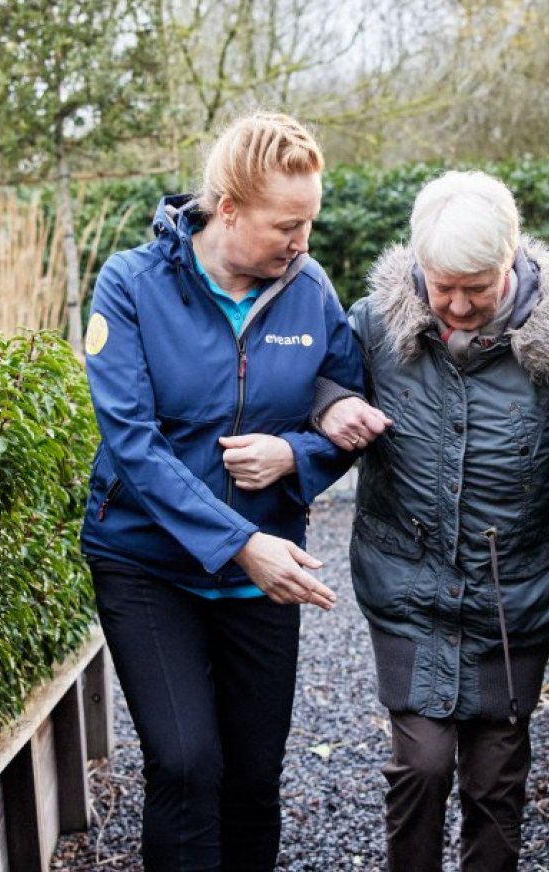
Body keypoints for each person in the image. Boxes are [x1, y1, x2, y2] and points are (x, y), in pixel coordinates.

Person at [316, 170, 549, 872]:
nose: (459, 305)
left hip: (513, 605)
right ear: (416, 268)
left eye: (478, 286)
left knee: (495, 780)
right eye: (443, 286)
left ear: (511, 262)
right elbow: (318, 385)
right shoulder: (373, 327)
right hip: (407, 594)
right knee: (423, 766)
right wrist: (329, 405)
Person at [78, 111, 365, 871]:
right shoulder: (130, 286)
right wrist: (240, 543)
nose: (301, 242)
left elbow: (347, 410)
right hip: (147, 564)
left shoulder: (311, 291)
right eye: (286, 225)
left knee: (252, 780)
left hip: (261, 581)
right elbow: (133, 444)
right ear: (227, 208)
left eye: (309, 222)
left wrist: (293, 456)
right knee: (183, 764)